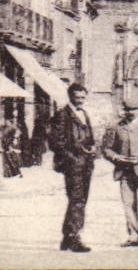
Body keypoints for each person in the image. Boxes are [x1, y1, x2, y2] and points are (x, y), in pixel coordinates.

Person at [100, 96, 138, 249]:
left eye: (135, 109)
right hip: (125, 172)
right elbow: (106, 148)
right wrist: (117, 157)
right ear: (124, 110)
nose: (131, 112)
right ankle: (133, 236)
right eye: (128, 109)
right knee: (128, 205)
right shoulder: (116, 127)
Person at [48, 82, 98, 252]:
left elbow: (89, 136)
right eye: (77, 97)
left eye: (83, 97)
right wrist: (72, 159)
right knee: (77, 199)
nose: (81, 100)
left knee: (80, 199)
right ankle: (74, 237)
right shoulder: (62, 115)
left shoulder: (84, 113)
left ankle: (67, 237)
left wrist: (92, 148)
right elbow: (56, 142)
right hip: (74, 164)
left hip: (86, 162)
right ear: (70, 96)